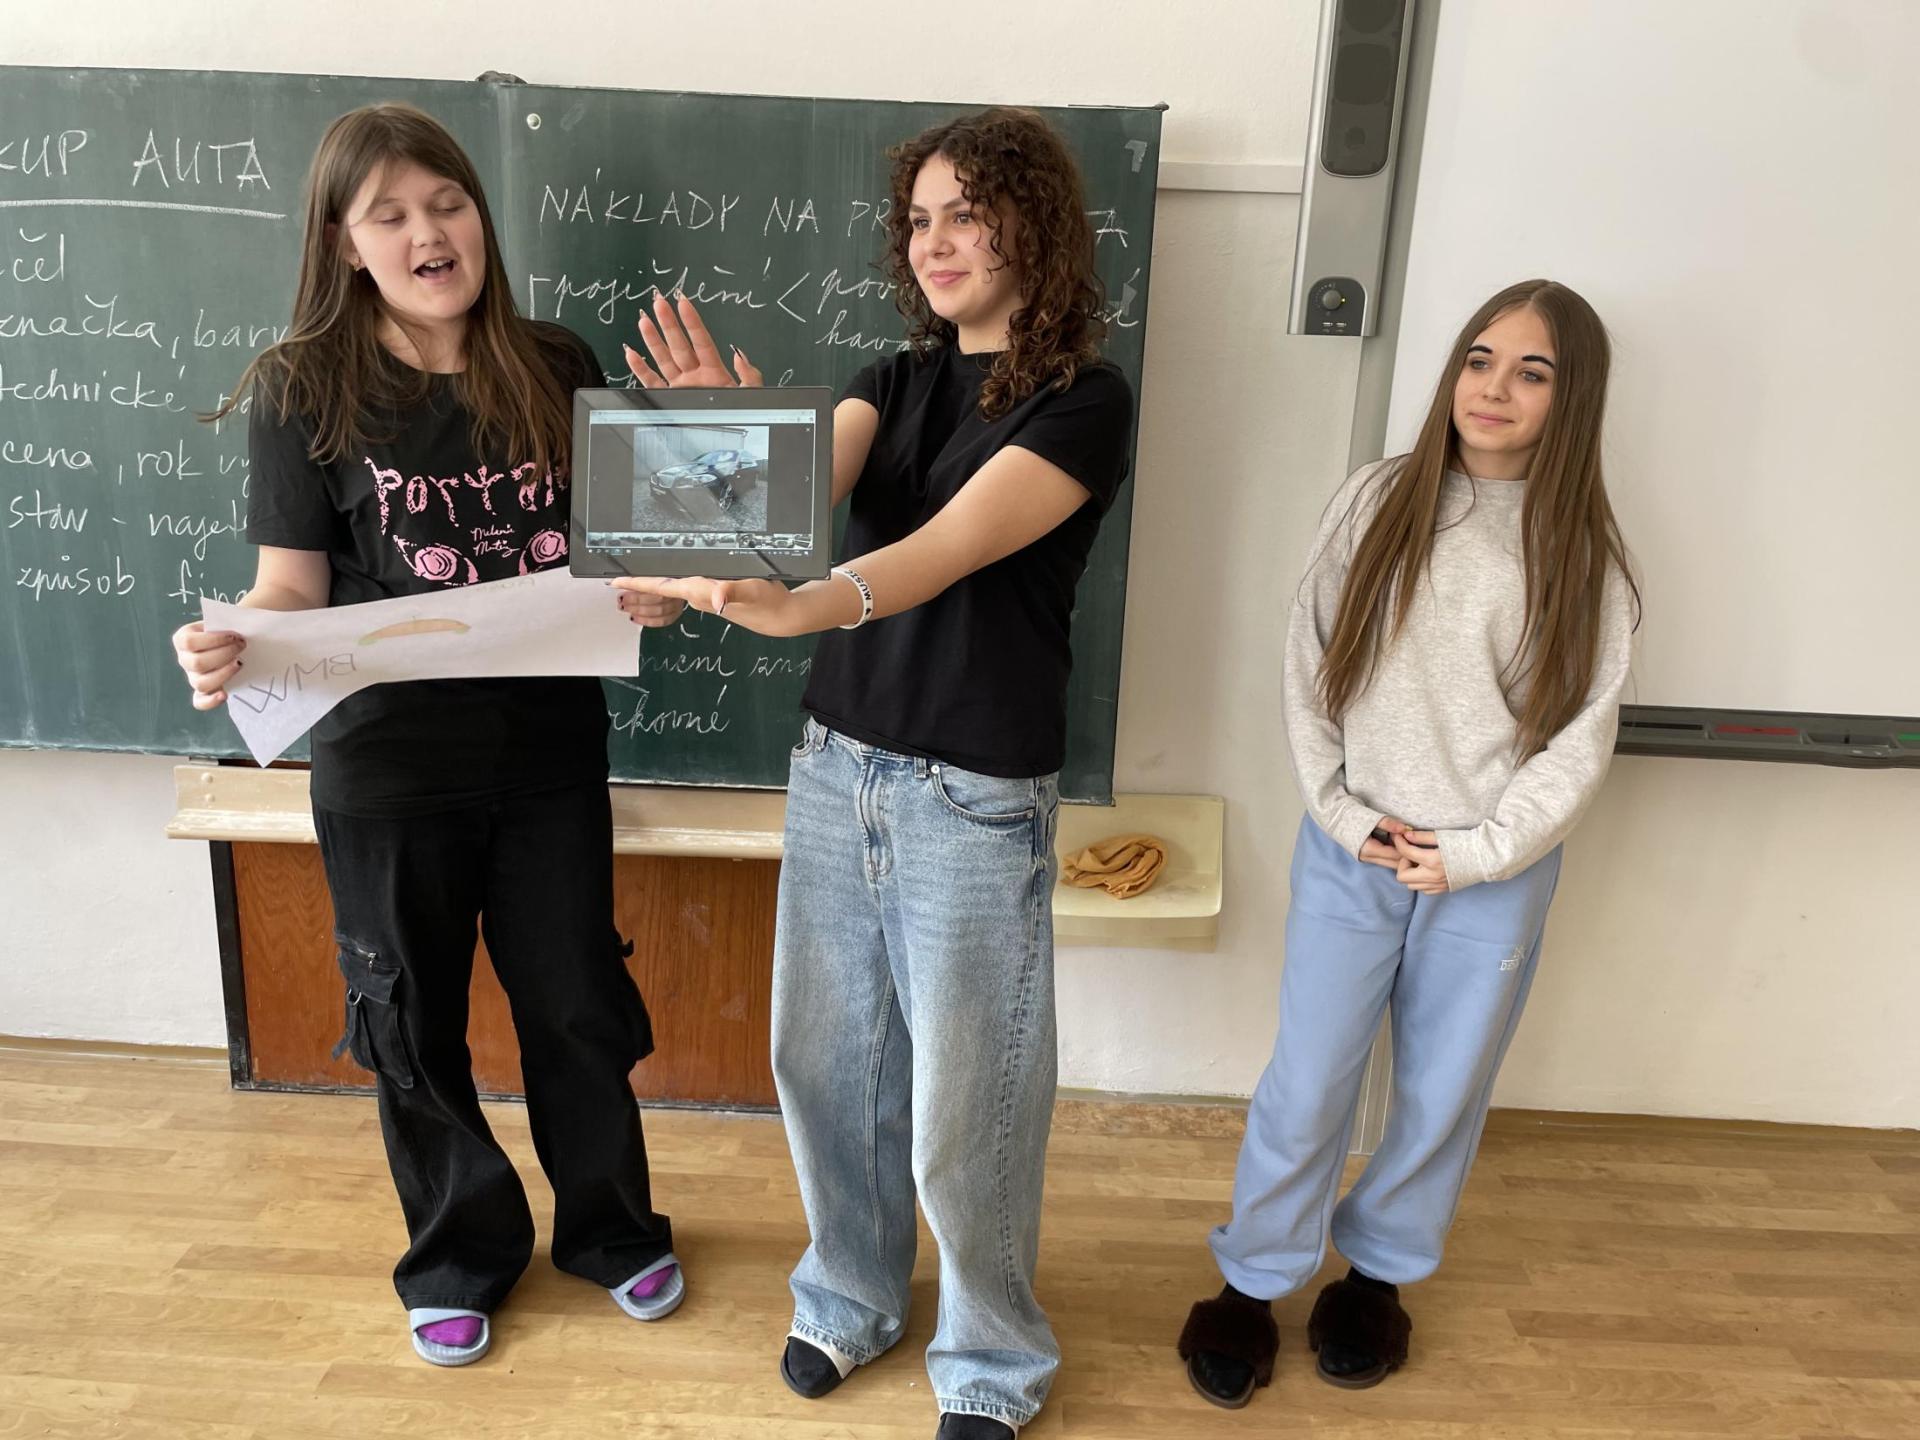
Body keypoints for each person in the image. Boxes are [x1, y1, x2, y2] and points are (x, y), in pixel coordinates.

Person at [618, 106, 1134, 1438]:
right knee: (826, 1066)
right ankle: (851, 1295)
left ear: (1035, 229)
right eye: (920, 220)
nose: (937, 242)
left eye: (969, 214)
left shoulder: (1085, 402)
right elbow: (776, 520)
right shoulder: (887, 381)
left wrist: (808, 602)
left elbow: (944, 549)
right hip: (836, 765)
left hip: (974, 796)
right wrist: (721, 467)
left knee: (970, 1104)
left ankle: (994, 1357)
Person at [170, 103, 687, 1368]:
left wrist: (663, 591)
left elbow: (631, 559)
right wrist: (232, 640)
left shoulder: (555, 363)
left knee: (576, 1002)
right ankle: (458, 1254)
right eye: (389, 214)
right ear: (344, 243)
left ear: (479, 217)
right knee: (410, 1020)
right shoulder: (303, 386)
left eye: (446, 203)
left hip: (549, 754)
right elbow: (291, 585)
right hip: (387, 767)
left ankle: (612, 1229)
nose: (427, 232)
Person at [1177, 279, 1640, 1407]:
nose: (1496, 387)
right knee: (1310, 1079)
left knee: (1441, 1090)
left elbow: (1580, 739)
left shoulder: (1586, 554)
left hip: (1492, 874)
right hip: (1356, 849)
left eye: (1533, 372)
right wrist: (1343, 814)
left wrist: (1477, 855)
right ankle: (1253, 1281)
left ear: (1573, 398)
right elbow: (1308, 664)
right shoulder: (1379, 498)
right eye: (1480, 358)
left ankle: (1376, 1279)